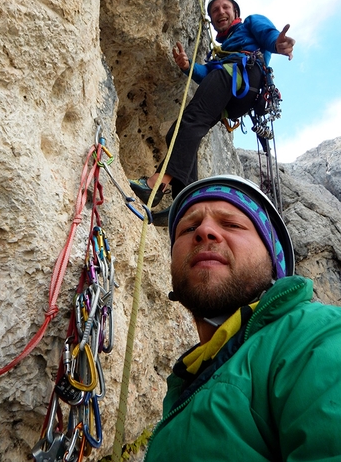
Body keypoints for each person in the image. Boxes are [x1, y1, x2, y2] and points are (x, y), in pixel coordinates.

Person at [144, 174, 341, 461]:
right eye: (188, 229)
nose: (205, 232)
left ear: (274, 261)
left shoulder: (315, 337)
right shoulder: (189, 379)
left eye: (232, 224)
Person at [129, 0, 296, 209]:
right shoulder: (221, 52)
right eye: (215, 10)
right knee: (179, 133)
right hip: (236, 94)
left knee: (191, 119)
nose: (220, 12)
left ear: (236, 11)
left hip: (241, 73)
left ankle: (156, 184)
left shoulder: (251, 23)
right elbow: (206, 74)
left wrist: (277, 43)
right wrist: (187, 67)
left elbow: (268, 35)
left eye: (225, 7)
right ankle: (187, 205)